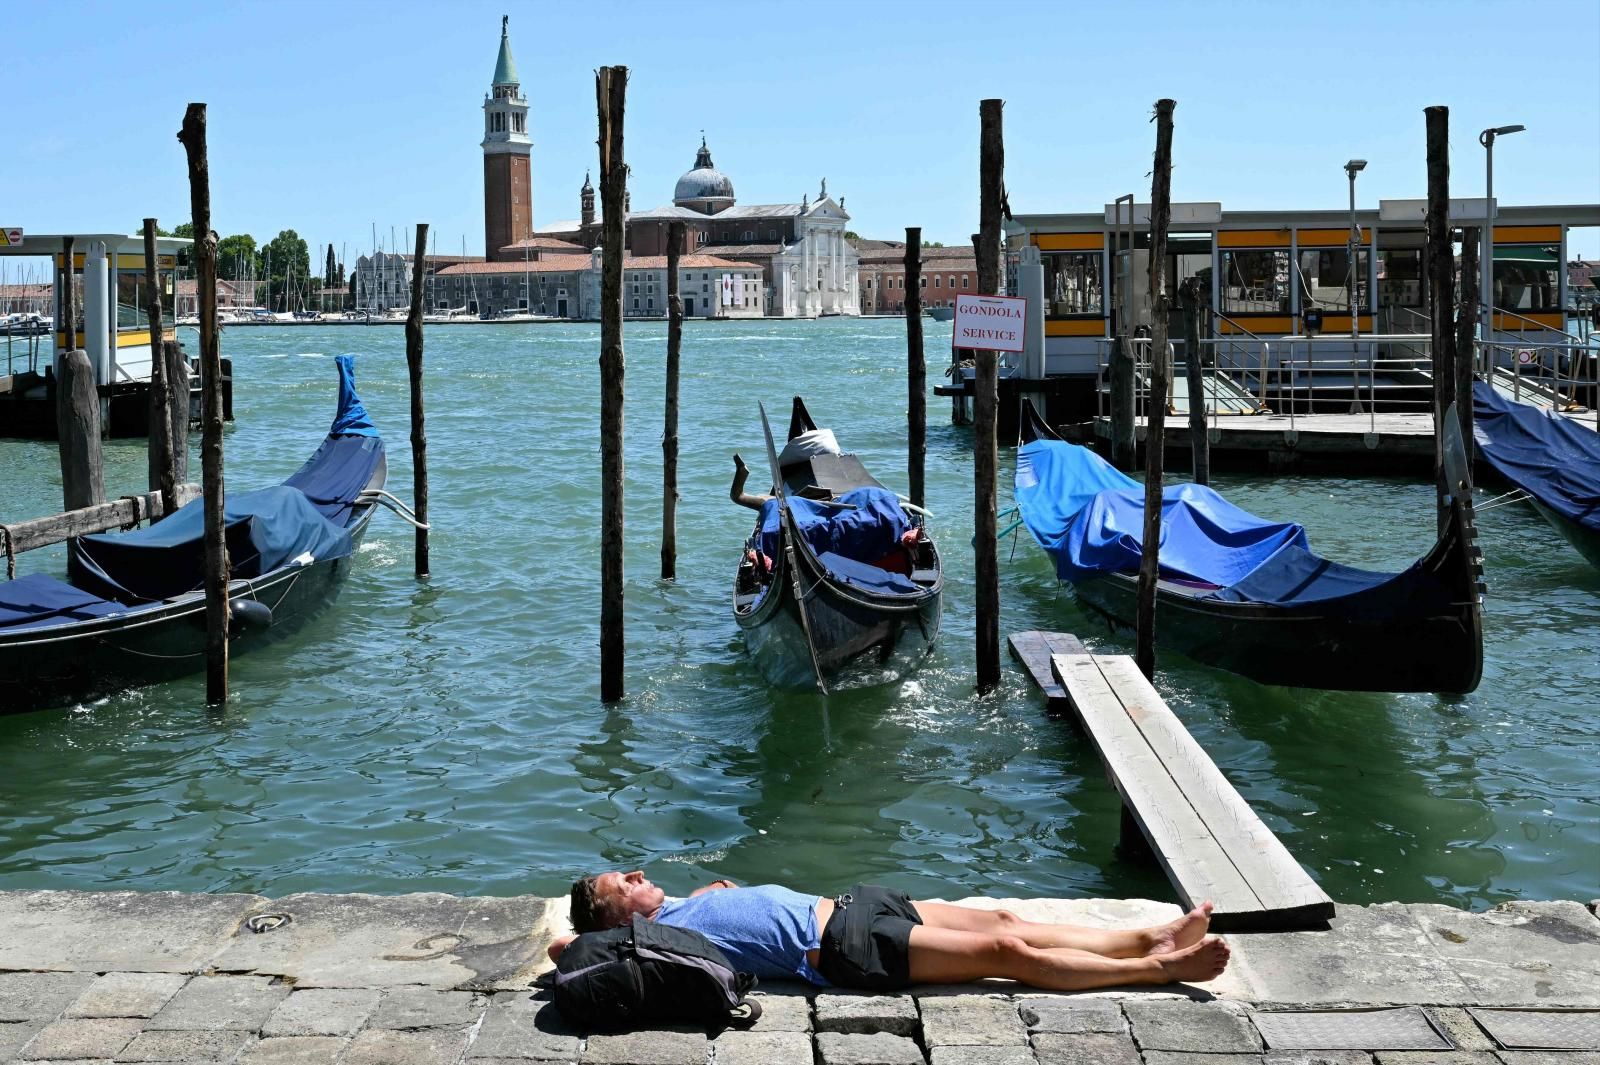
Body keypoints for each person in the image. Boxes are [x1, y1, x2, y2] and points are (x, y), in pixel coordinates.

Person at [550, 871, 1230, 993]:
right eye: (624, 882)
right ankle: (1160, 970)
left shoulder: (687, 904)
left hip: (854, 902)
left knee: (1006, 919)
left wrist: (715, 891)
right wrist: (579, 936)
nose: (639, 872)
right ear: (617, 918)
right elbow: (568, 949)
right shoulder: (647, 939)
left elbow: (727, 900)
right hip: (845, 949)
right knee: (1007, 953)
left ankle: (1147, 938)